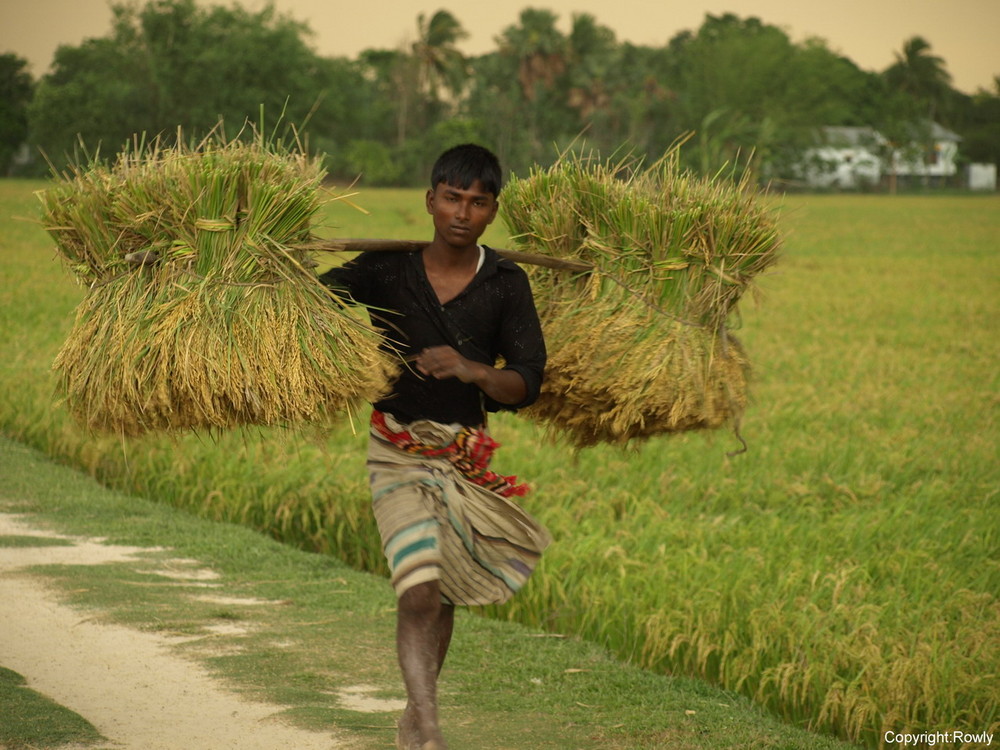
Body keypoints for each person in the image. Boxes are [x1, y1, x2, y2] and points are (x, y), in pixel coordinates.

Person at [319, 143, 550, 750]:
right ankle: (431, 728)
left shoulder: (505, 284)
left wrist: (475, 371)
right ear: (430, 200)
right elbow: (309, 304)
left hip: (463, 459)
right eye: (452, 198)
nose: (462, 212)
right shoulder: (384, 271)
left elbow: (527, 380)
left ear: (494, 210)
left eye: (478, 202)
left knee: (441, 594)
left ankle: (414, 714)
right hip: (395, 451)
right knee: (418, 588)